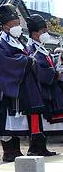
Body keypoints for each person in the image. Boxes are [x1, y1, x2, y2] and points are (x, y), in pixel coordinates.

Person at [0, 4, 51, 161]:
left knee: (18, 120)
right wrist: (25, 60)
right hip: (8, 85)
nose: (18, 26)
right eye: (14, 24)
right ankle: (9, 151)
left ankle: (17, 149)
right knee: (8, 118)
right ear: (5, 26)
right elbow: (3, 63)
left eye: (18, 23)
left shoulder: (20, 42)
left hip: (22, 85)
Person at [25, 14, 63, 153]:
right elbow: (35, 69)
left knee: (42, 121)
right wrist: (54, 75)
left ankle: (41, 147)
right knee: (36, 120)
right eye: (42, 31)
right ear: (34, 33)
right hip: (36, 89)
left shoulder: (41, 47)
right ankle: (35, 148)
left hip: (46, 88)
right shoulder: (30, 49)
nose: (45, 34)